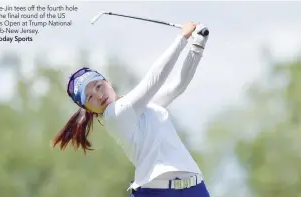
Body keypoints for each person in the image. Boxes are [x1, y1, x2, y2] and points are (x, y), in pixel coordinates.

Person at [53, 22, 210, 197]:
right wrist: (182, 38)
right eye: (89, 97)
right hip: (156, 193)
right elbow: (154, 79)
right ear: (88, 109)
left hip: (195, 188)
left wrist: (198, 44)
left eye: (98, 86)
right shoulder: (115, 115)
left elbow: (178, 86)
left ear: (108, 82)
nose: (98, 96)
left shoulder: (140, 106)